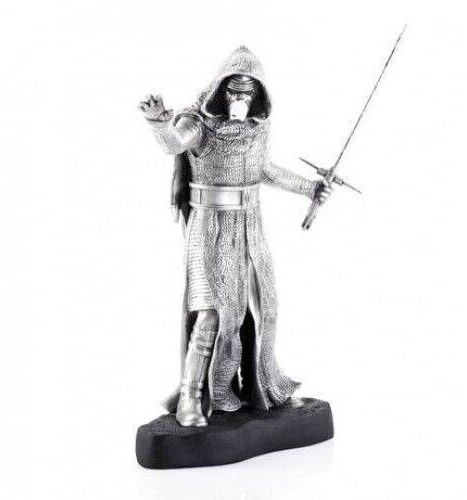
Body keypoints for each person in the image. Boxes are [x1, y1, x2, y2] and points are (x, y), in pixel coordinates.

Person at [139, 46, 330, 427]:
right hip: (209, 227)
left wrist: (309, 187)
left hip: (250, 228)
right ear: (220, 89)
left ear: (257, 94)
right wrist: (160, 121)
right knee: (210, 312)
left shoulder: (257, 128)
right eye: (233, 90)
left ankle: (259, 389)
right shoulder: (198, 123)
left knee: (261, 310)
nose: (239, 99)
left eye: (247, 92)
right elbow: (174, 142)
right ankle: (191, 397)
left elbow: (264, 170)